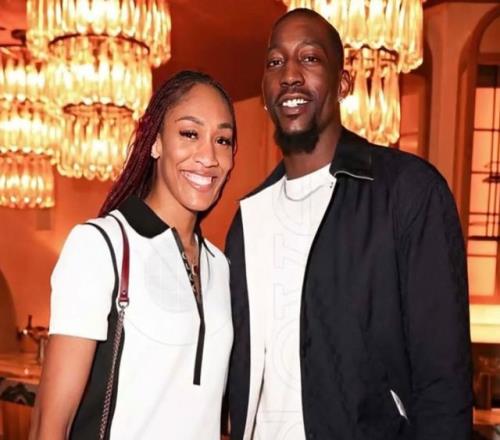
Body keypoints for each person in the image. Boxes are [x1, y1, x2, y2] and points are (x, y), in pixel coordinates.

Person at [225, 8, 472, 440]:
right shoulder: (248, 219)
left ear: (343, 83)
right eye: (275, 62)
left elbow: (443, 382)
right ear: (264, 90)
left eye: (310, 58)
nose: (290, 75)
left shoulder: (408, 192)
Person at [30, 70, 236, 440]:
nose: (208, 156)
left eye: (222, 140)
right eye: (189, 133)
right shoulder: (101, 246)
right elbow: (50, 425)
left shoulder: (221, 267)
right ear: (155, 142)